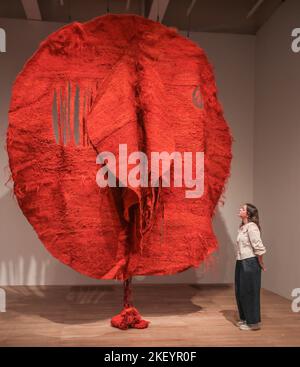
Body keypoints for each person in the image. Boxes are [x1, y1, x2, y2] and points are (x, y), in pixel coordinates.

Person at [234, 203, 267, 331]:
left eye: (242, 208)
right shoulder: (243, 227)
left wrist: (261, 262)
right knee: (240, 291)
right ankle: (245, 318)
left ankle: (253, 323)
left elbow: (258, 246)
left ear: (247, 214)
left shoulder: (252, 227)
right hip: (241, 261)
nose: (240, 209)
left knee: (250, 292)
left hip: (250, 262)